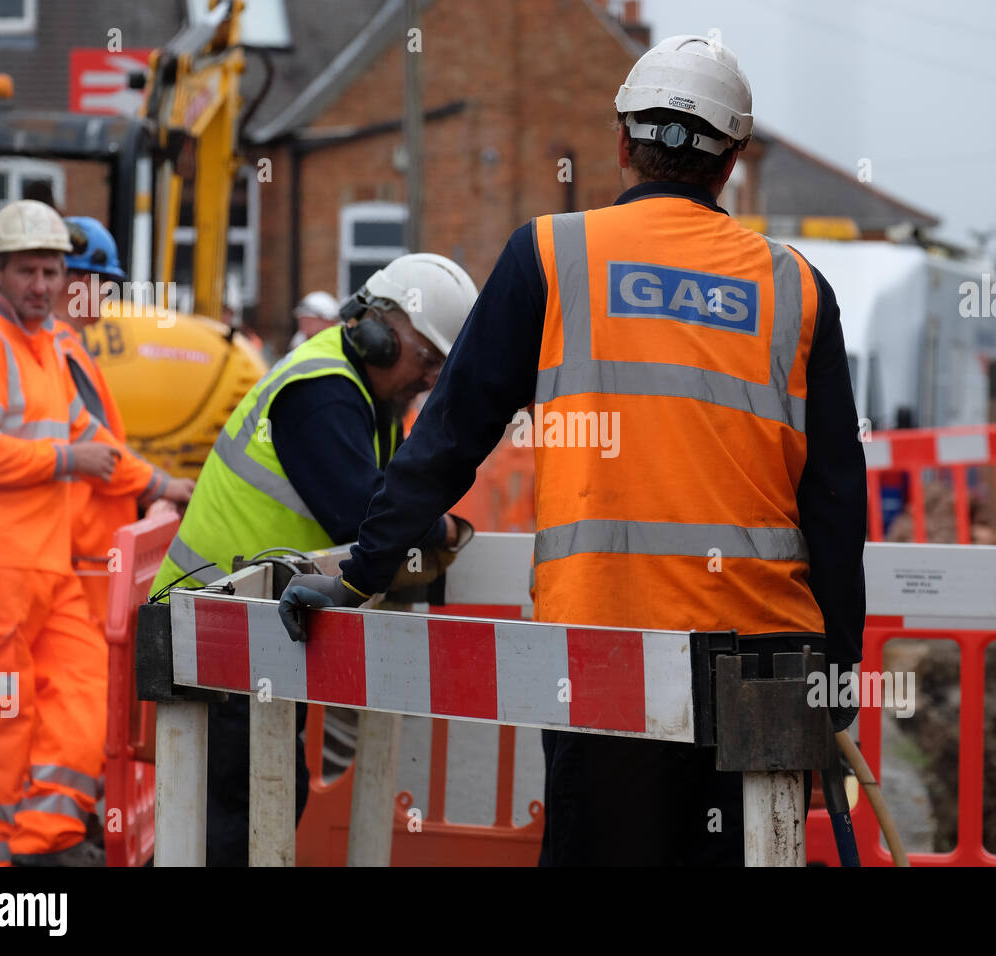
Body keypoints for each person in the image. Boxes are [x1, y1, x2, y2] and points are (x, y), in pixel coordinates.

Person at [278, 35, 868, 866]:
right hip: (764, 659)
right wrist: (837, 669)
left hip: (601, 645)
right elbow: (838, 500)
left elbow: (450, 435)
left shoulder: (552, 255)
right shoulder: (797, 288)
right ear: (731, 162)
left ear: (624, 143)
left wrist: (359, 572)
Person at [149, 252, 479, 866]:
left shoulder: (367, 398)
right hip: (209, 629)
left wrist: (424, 520)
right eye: (426, 358)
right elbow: (370, 518)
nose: (430, 378)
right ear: (379, 331)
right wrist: (439, 526)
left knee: (257, 800)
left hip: (249, 627)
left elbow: (397, 499)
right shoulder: (322, 393)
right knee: (237, 812)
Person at [0, 199, 142, 866]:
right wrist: (69, 462)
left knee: (84, 699)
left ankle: (43, 839)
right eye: (27, 272)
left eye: (51, 270)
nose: (42, 285)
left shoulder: (42, 345)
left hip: (40, 563)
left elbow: (87, 434)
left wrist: (159, 485)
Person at [53, 216, 195, 628]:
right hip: (83, 550)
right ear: (77, 280)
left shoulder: (67, 347)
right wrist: (161, 484)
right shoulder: (62, 350)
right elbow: (95, 443)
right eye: (105, 283)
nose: (108, 296)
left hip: (86, 545)